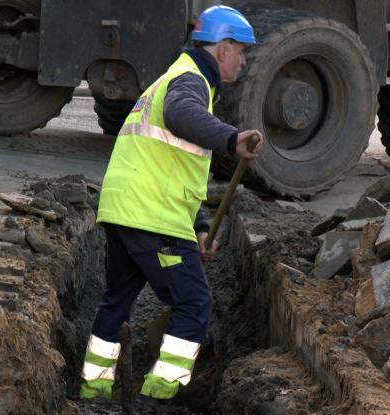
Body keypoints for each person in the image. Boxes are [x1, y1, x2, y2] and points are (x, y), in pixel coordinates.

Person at [79, 5, 264, 401]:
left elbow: (173, 167)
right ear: (222, 48)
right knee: (194, 303)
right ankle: (160, 394)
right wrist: (232, 139)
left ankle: (94, 386)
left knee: (117, 300)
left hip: (125, 209)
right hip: (152, 216)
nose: (244, 62)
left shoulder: (175, 78)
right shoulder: (189, 82)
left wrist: (199, 227)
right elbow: (181, 116)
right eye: (242, 52)